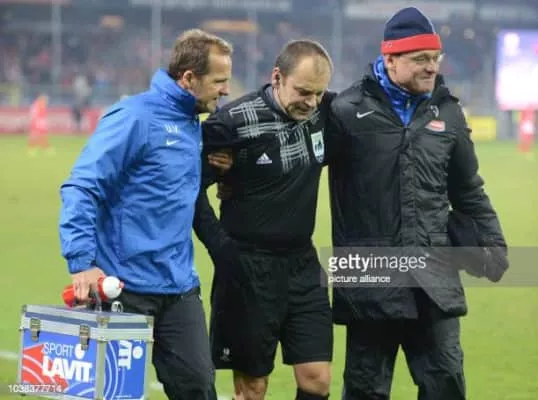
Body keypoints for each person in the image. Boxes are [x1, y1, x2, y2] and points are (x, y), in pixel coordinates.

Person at [327, 7, 508, 400]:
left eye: (435, 57)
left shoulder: (449, 112)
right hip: (370, 277)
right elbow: (301, 168)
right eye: (421, 58)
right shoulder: (345, 111)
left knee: (446, 384)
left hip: (434, 276)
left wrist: (494, 242)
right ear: (390, 59)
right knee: (365, 390)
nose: (432, 67)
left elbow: (468, 189)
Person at [58, 29, 233, 400]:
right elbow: (82, 187)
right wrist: (81, 262)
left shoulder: (192, 122)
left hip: (179, 287)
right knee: (116, 393)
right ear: (189, 78)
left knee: (199, 387)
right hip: (124, 288)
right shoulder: (134, 117)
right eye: (219, 81)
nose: (226, 90)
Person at [193, 39, 335, 400]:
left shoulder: (326, 112)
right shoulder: (231, 123)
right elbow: (191, 192)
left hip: (303, 265)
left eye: (319, 93)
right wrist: (221, 248)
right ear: (277, 77)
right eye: (303, 91)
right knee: (252, 387)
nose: (312, 102)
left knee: (317, 379)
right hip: (248, 267)